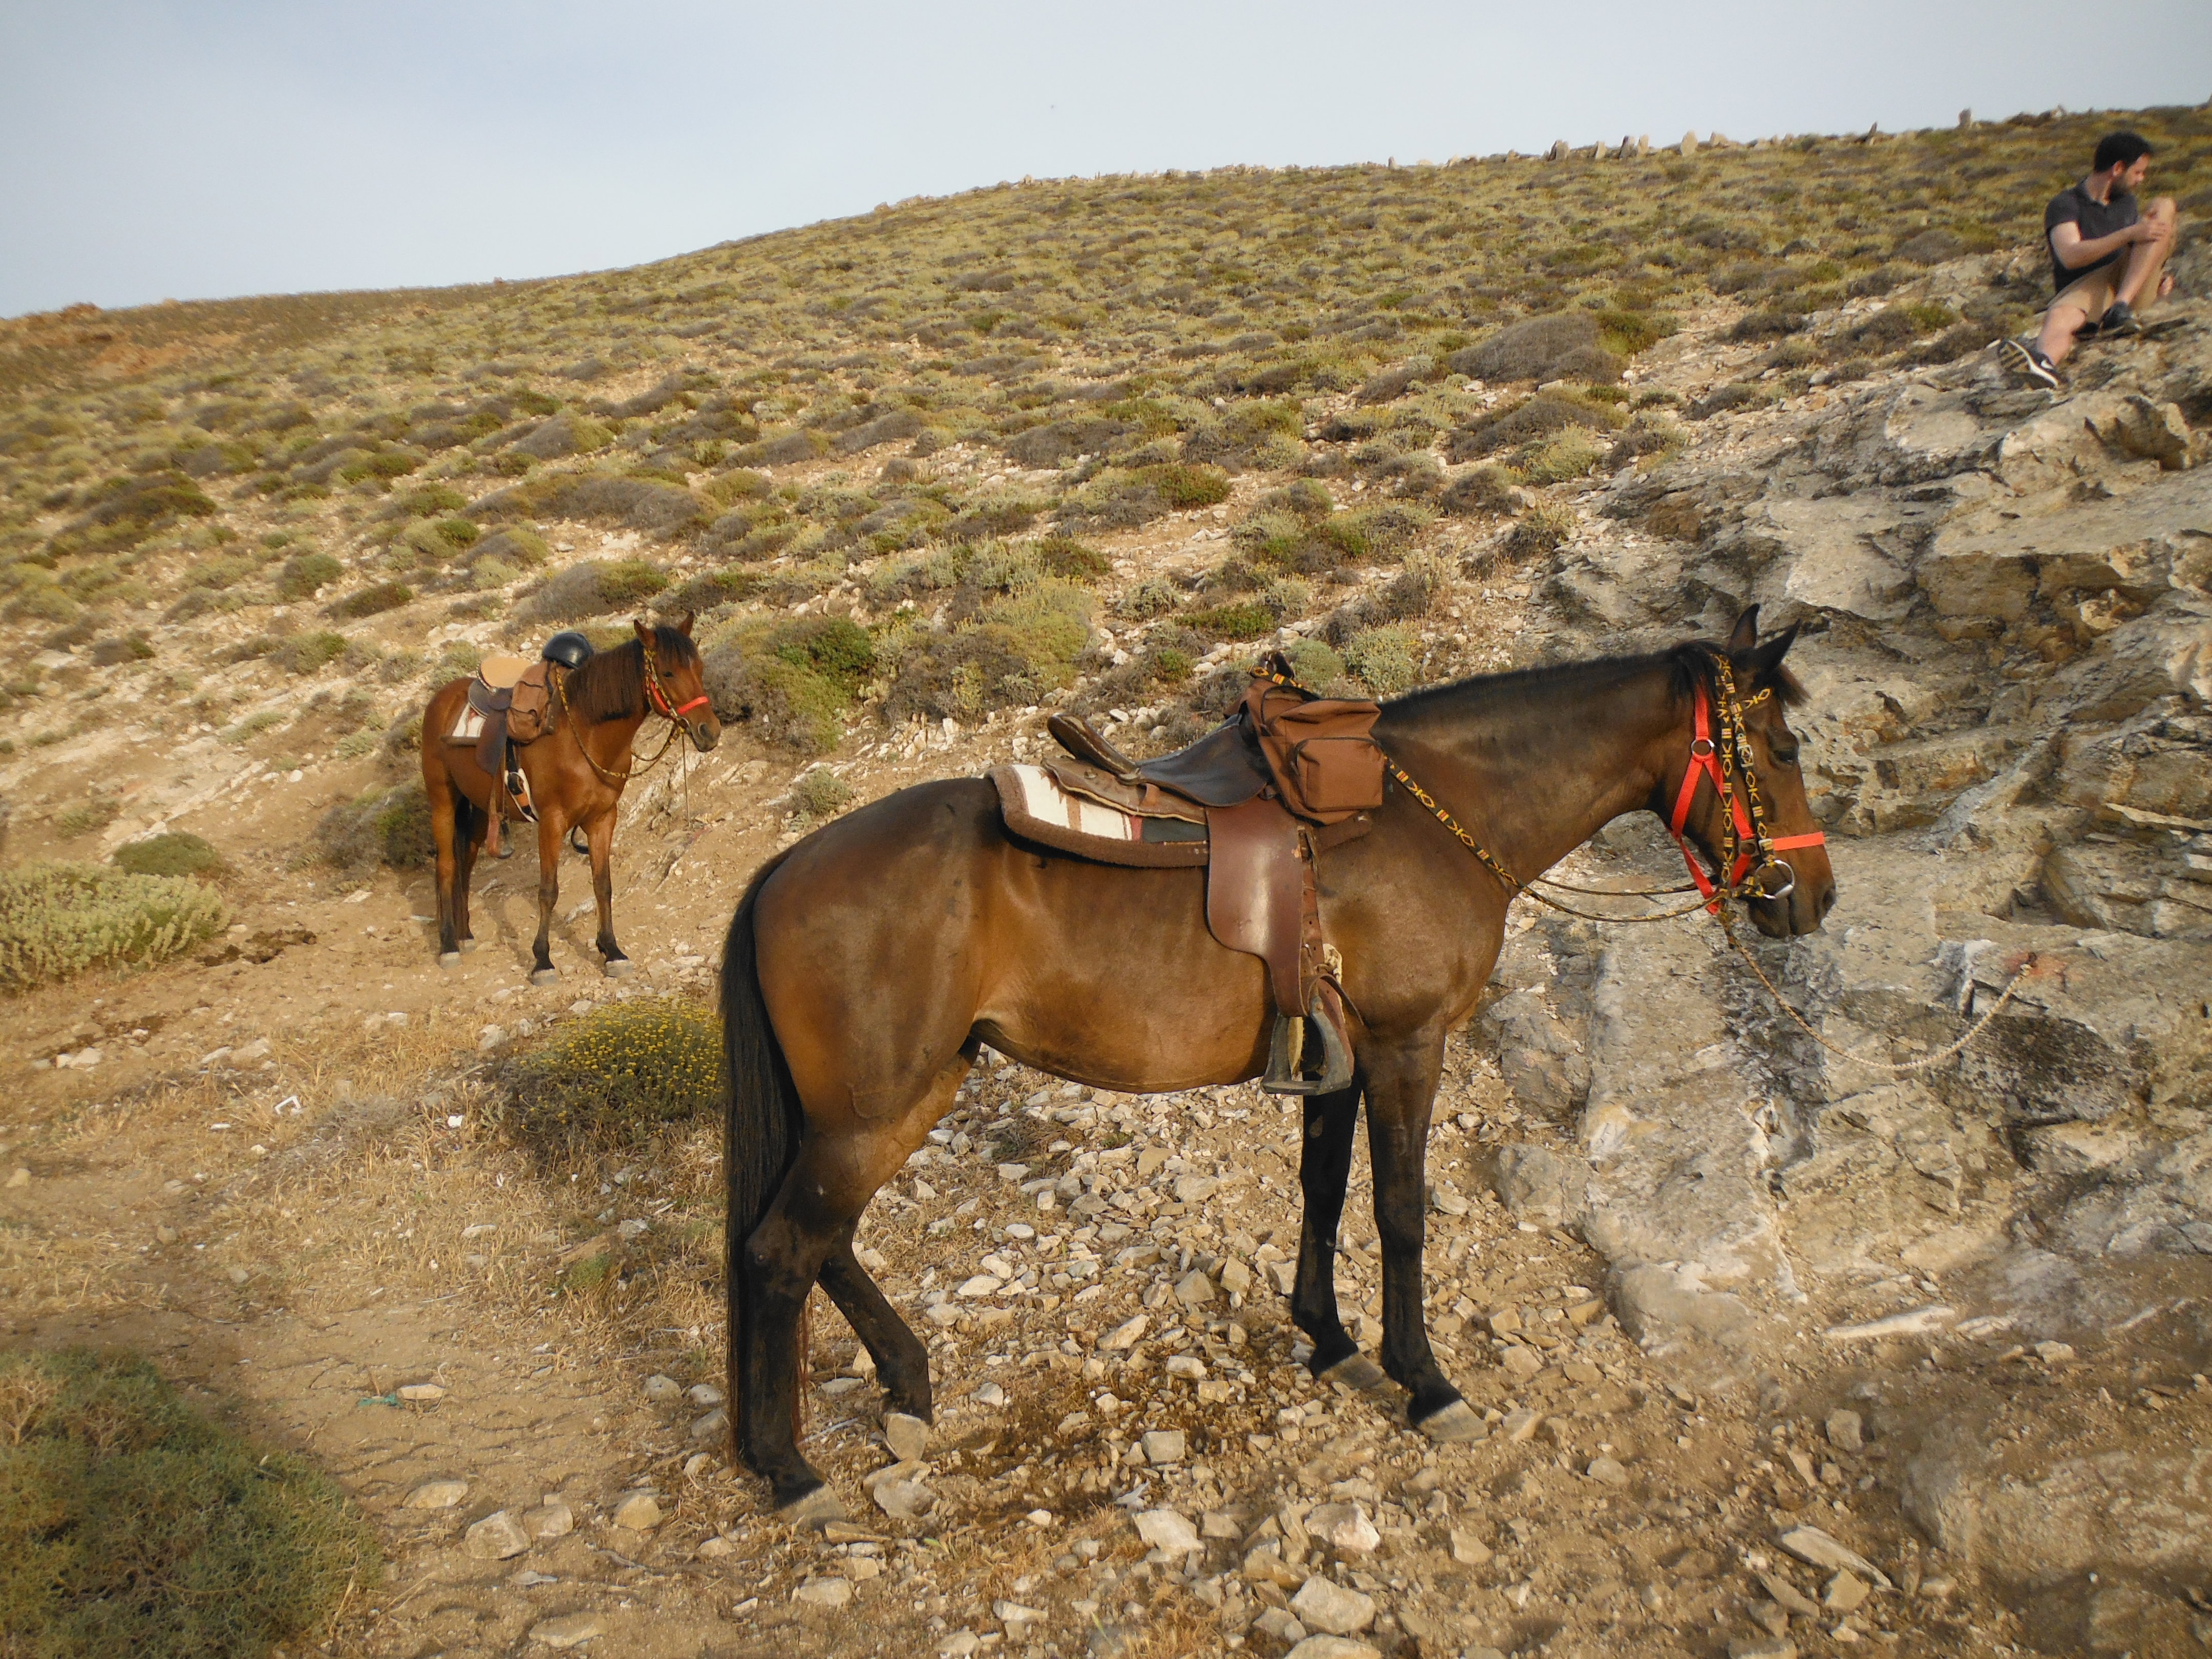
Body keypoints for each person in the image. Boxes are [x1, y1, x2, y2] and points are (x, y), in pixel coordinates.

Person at [2003, 132, 2176, 389]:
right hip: (2086, 286)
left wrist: (2156, 276)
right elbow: (2070, 256)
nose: (2141, 180)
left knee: (2164, 206)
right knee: (2060, 315)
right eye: (2138, 173)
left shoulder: (2127, 203)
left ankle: (2121, 307)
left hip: (2125, 288)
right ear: (2118, 168)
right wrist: (2128, 234)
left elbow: (2139, 246)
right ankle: (2043, 367)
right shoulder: (2066, 204)